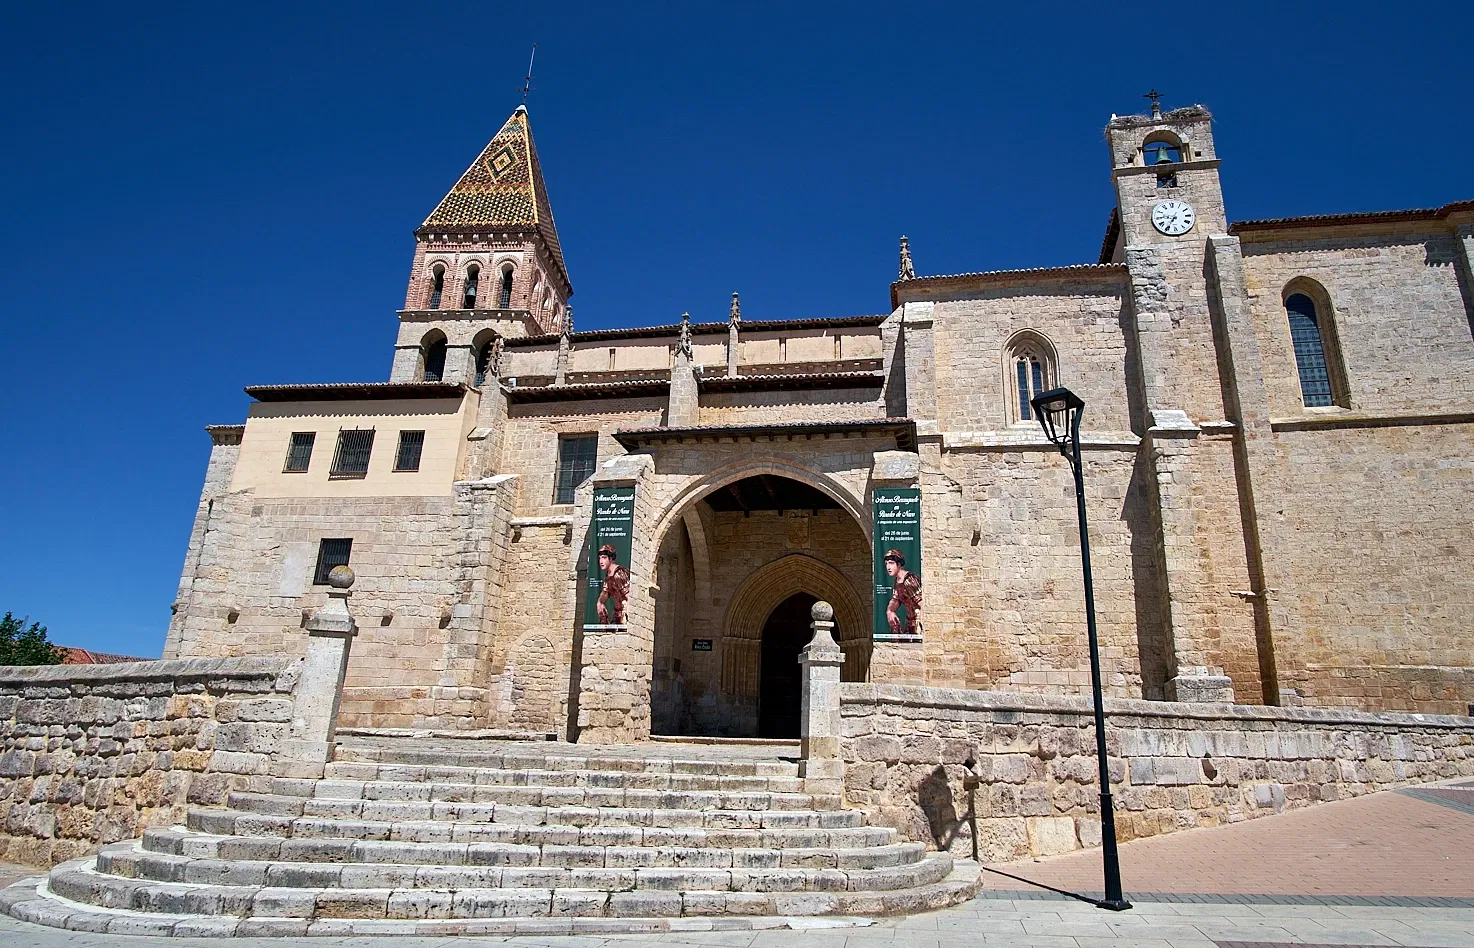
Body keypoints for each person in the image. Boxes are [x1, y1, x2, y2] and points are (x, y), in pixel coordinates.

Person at [884, 548, 922, 637]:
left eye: (891, 563)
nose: (888, 567)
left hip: (918, 623)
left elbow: (923, 604)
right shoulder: (897, 581)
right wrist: (890, 611)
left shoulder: (909, 580)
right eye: (886, 564)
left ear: (899, 564)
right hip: (910, 624)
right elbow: (895, 600)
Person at [595, 544, 630, 625]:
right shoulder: (608, 575)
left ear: (611, 559)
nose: (601, 561)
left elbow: (629, 596)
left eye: (604, 558)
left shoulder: (619, 574)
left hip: (625, 615)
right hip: (617, 615)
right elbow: (605, 592)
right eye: (600, 558)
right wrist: (599, 603)